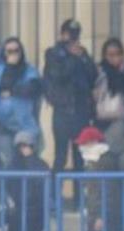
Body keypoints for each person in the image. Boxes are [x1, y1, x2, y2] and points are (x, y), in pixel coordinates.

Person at [44, 19, 98, 184]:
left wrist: (84, 58)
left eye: (75, 35)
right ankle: (54, 199)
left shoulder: (82, 53)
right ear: (62, 34)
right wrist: (73, 58)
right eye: (69, 34)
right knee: (60, 157)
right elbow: (58, 76)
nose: (72, 38)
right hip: (63, 111)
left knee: (79, 158)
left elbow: (92, 77)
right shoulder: (53, 53)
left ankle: (78, 201)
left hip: (80, 112)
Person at [0, 37, 42, 166]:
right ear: (4, 53)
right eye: (9, 51)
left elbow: (33, 89)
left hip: (24, 123)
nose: (13, 54)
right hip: (2, 124)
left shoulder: (29, 70)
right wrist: (10, 67)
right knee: (7, 163)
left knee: (26, 160)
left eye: (16, 51)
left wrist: (12, 91)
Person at [94, 38, 124, 133]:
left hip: (122, 116)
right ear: (104, 55)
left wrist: (122, 70)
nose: (113, 58)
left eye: (117, 54)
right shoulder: (99, 69)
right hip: (102, 118)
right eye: (110, 55)